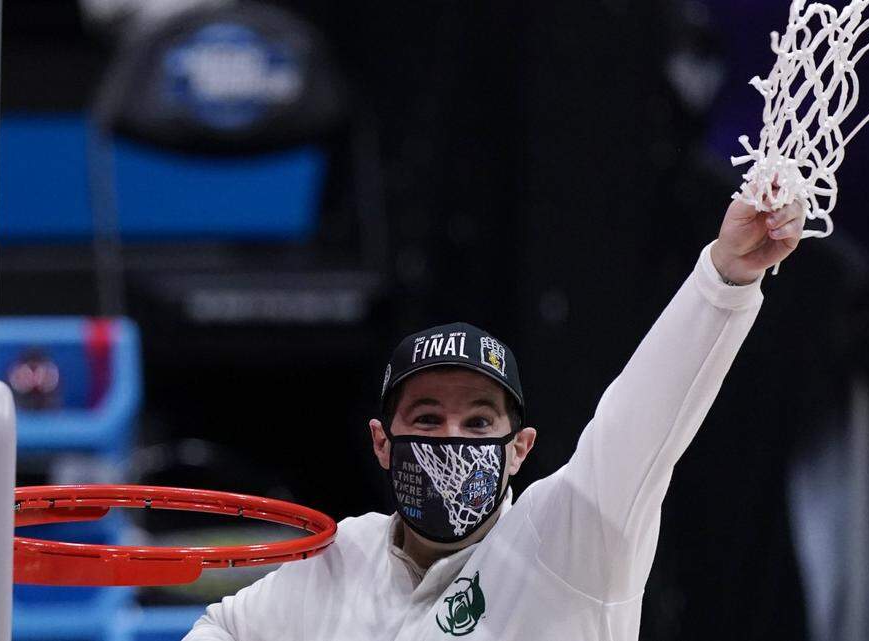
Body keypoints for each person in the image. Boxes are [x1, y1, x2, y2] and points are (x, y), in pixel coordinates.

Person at [183, 195, 806, 640]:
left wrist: (724, 280)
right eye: (427, 419)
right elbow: (224, 628)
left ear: (519, 447)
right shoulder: (343, 557)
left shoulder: (567, 541)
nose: (451, 440)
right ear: (382, 442)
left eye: (479, 423)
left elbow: (642, 419)